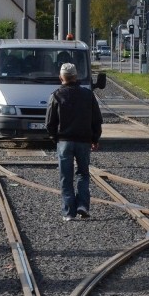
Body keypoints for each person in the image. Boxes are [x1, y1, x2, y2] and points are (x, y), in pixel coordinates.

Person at [45, 63, 103, 221]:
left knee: (66, 176)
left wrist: (55, 138)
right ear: (76, 77)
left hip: (64, 141)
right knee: (83, 174)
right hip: (84, 141)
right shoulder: (88, 95)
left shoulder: (56, 95)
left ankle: (68, 212)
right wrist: (95, 138)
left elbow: (49, 123)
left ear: (61, 77)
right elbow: (97, 119)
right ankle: (82, 205)